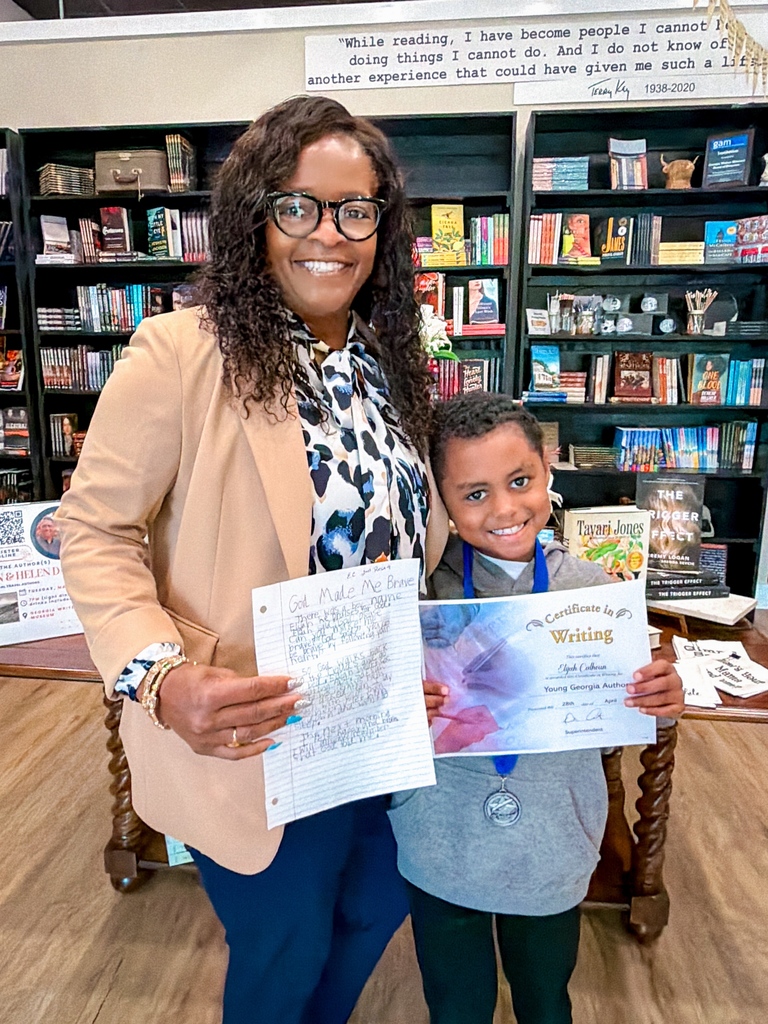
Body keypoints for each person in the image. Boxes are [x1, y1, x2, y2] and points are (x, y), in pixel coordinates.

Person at [57, 95, 448, 1024]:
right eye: (299, 205)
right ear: (255, 217)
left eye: (357, 210)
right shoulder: (181, 354)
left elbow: (418, 530)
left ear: (381, 227)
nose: (331, 235)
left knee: (374, 908)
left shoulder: (392, 362)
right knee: (285, 944)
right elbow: (96, 530)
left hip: (383, 720)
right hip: (258, 733)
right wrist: (158, 675)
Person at [390, 392, 684, 1024]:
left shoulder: (595, 591)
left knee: (546, 1003)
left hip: (553, 845)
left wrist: (661, 704)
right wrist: (396, 705)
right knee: (455, 1006)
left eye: (519, 481)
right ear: (440, 498)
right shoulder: (416, 595)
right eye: (473, 494)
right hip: (442, 844)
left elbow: (624, 718)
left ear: (547, 472)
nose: (503, 508)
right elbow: (377, 723)